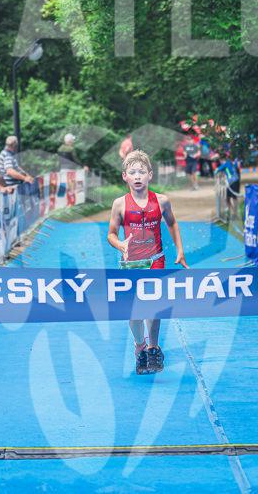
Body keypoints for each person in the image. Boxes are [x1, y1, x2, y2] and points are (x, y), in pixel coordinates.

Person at [107, 150, 187, 376]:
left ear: (150, 175)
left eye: (141, 172)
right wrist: (120, 245)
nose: (137, 176)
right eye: (132, 172)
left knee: (153, 306)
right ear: (125, 176)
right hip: (132, 265)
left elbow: (172, 224)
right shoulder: (119, 204)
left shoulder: (162, 201)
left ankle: (153, 348)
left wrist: (180, 250)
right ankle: (140, 345)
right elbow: (111, 234)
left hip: (155, 261)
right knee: (134, 313)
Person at [214, 152, 241, 220]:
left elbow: (216, 171)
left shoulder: (225, 164)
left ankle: (234, 213)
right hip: (235, 181)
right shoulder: (231, 162)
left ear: (221, 160)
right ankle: (233, 212)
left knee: (232, 197)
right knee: (229, 197)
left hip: (233, 182)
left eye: (220, 161)